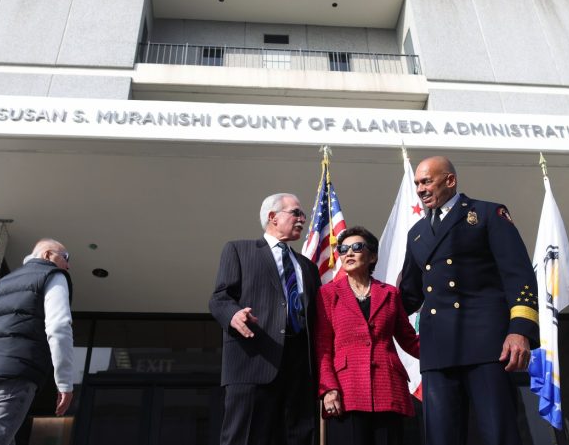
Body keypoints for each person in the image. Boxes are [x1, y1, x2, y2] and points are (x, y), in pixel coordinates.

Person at [399, 156, 539, 445]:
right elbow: (409, 295)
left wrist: (520, 331)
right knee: (441, 436)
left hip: (486, 343)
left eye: (427, 181)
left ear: (450, 180)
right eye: (417, 183)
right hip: (437, 349)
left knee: (498, 432)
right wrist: (366, 303)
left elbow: (519, 276)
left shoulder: (487, 214)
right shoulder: (416, 234)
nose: (420, 189)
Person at [209, 193, 322, 445]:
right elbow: (219, 298)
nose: (302, 219)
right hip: (254, 360)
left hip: (299, 369)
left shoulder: (308, 267)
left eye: (302, 215)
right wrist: (233, 314)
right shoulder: (239, 250)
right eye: (296, 213)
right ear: (273, 217)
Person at [0, 238, 74, 445]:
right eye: (65, 258)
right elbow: (59, 326)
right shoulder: (52, 275)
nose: (68, 265)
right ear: (47, 255)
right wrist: (64, 382)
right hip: (12, 379)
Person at [316, 226, 419, 445]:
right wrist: (328, 389)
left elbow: (410, 340)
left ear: (372, 256)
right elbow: (323, 347)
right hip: (346, 390)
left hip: (388, 388)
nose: (348, 253)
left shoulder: (390, 293)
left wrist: (448, 351)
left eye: (356, 247)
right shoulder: (328, 294)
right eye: (343, 249)